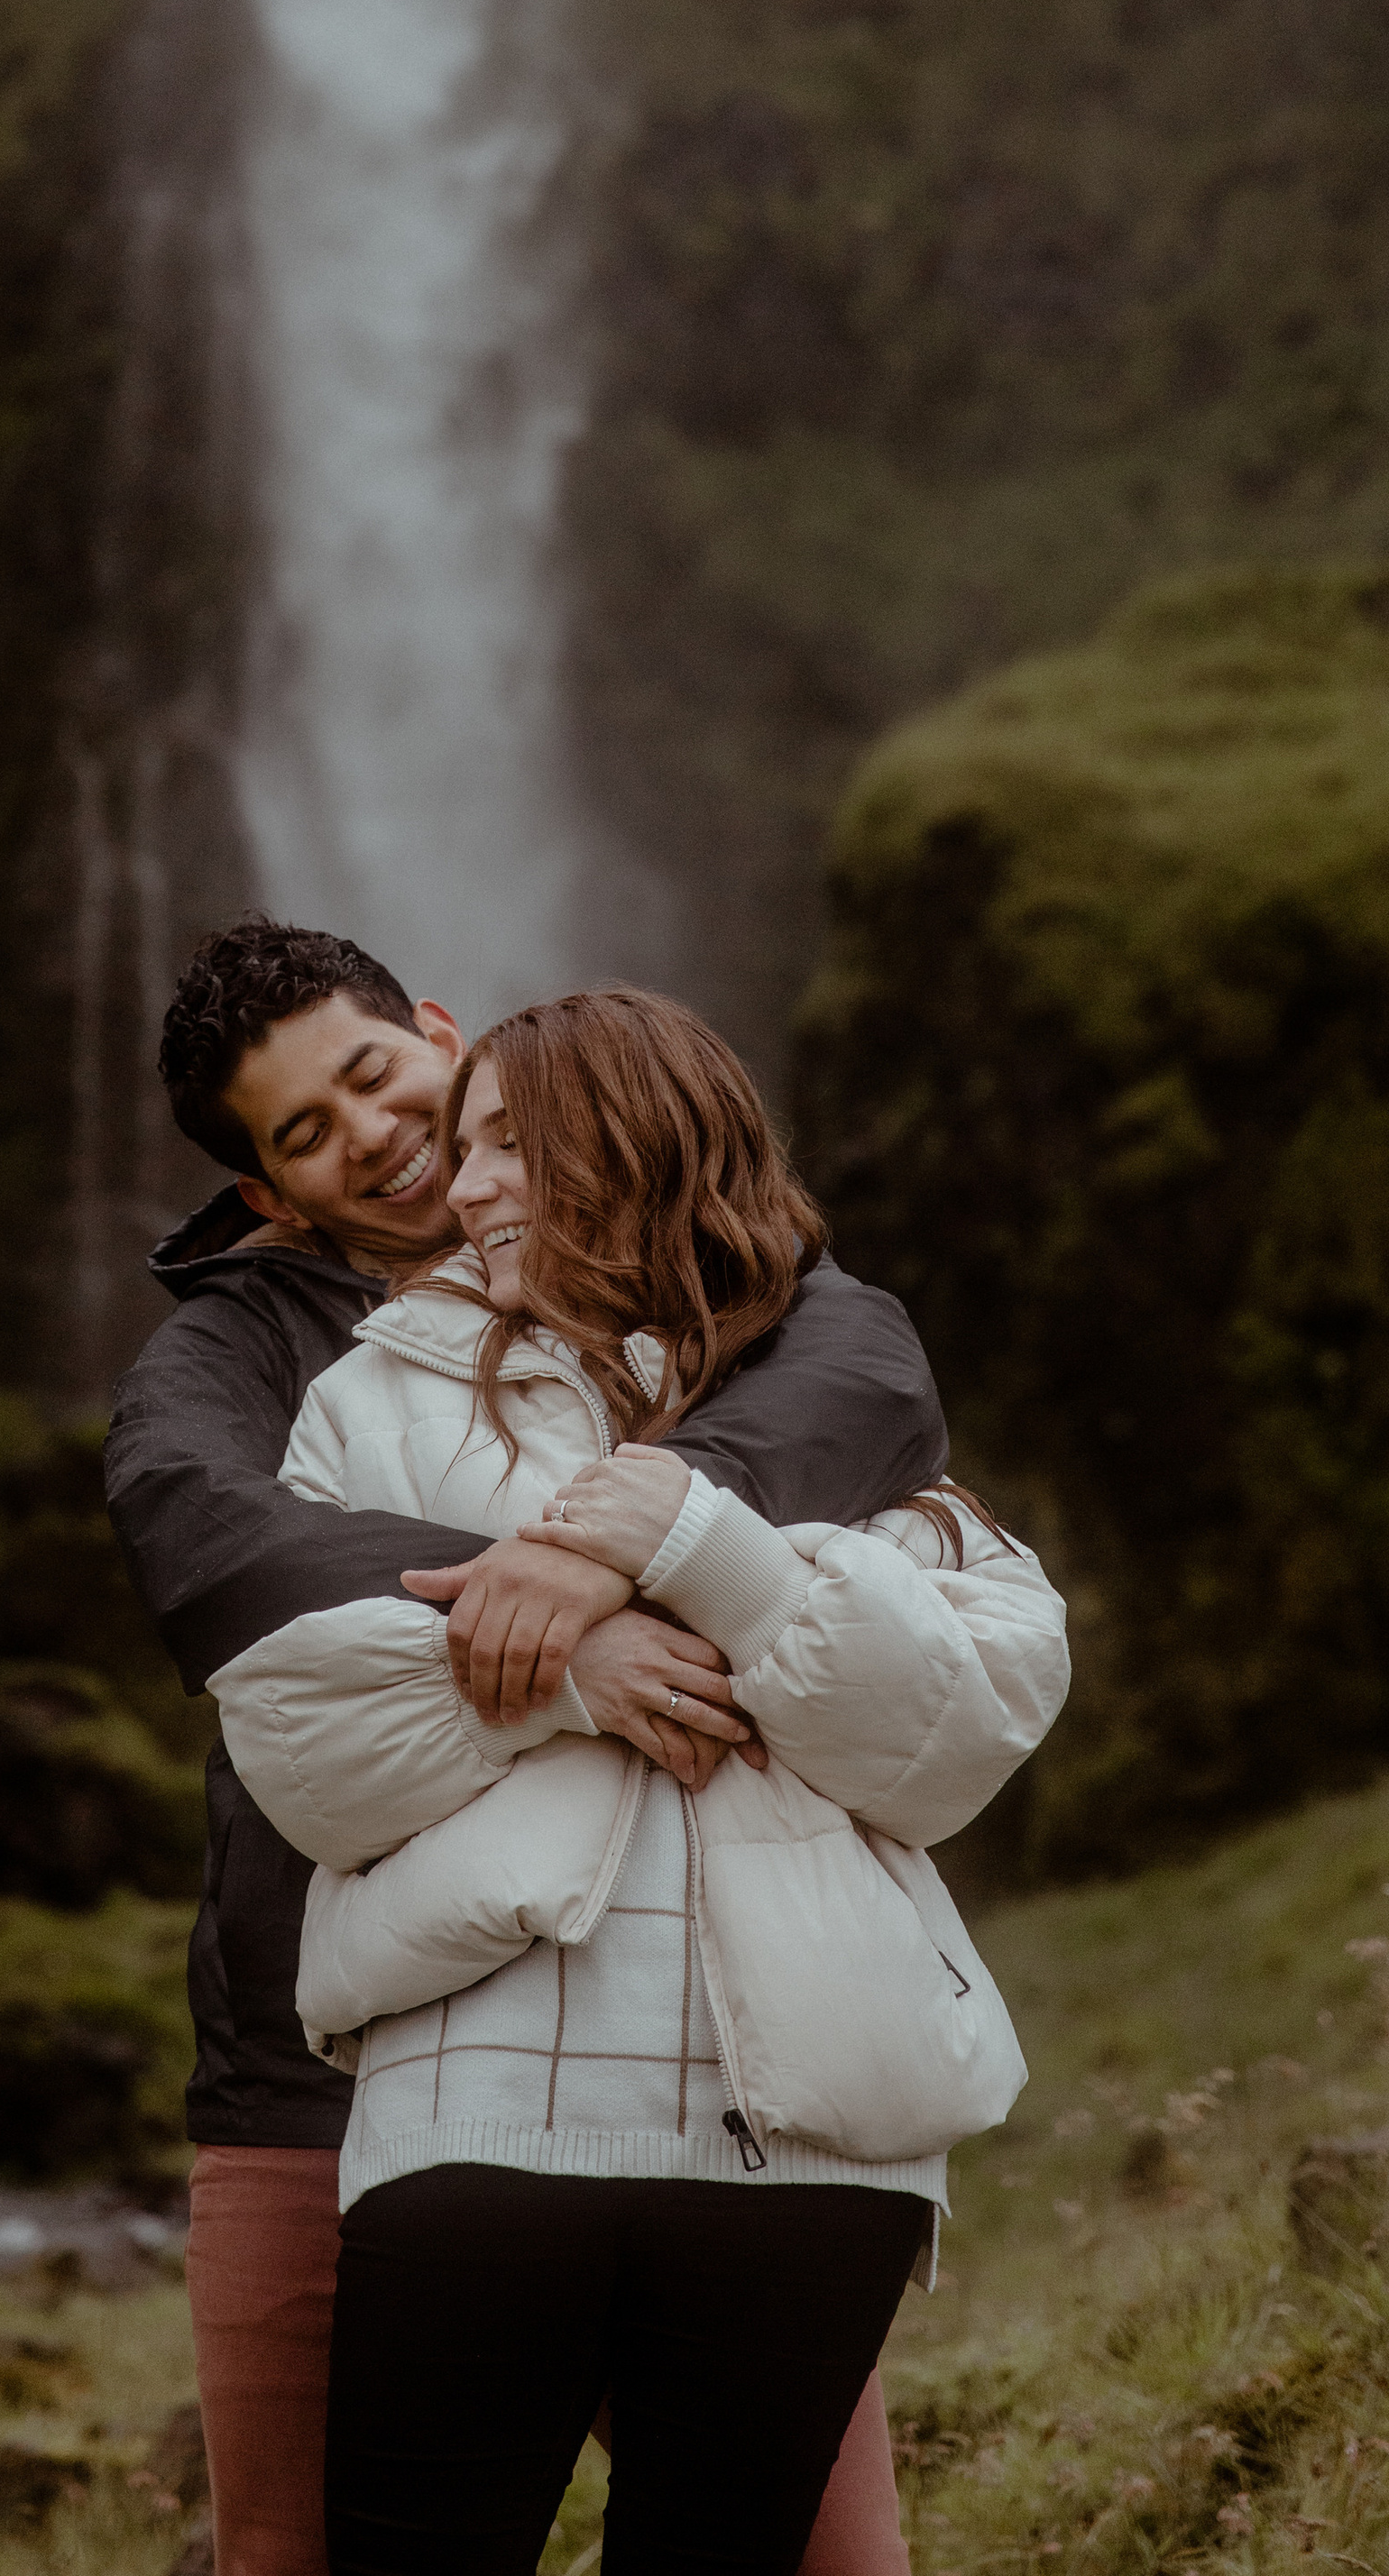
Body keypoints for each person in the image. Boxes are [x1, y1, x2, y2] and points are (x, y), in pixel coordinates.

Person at [104, 920, 959, 2576]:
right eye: (307, 1132)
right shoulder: (234, 1354)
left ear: (439, 1031)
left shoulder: (700, 1273)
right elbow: (201, 1533)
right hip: (315, 2061)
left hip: (707, 2043)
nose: (376, 1135)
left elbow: (867, 1381)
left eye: (374, 1075)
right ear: (270, 1193)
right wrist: (565, 1629)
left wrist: (614, 1540)